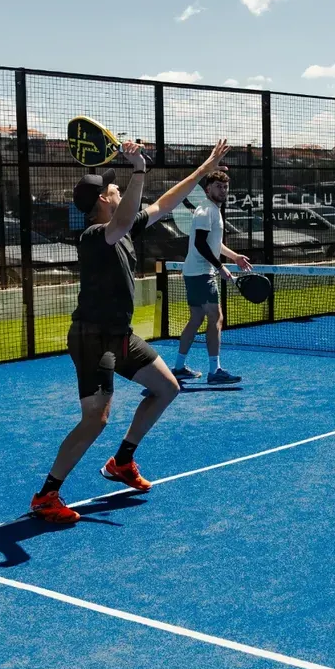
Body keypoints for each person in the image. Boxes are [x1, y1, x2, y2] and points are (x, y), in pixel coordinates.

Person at [29, 139, 231, 525]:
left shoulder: (123, 229)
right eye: (115, 188)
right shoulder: (95, 236)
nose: (121, 190)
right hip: (92, 338)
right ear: (104, 200)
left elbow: (165, 203)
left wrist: (204, 168)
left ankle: (122, 461)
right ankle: (46, 494)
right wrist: (138, 168)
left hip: (119, 334)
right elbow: (123, 218)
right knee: (95, 419)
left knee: (167, 387)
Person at [173, 169, 252, 384]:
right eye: (218, 186)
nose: (223, 190)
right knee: (216, 319)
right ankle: (214, 371)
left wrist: (234, 257)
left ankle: (179, 367)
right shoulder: (205, 211)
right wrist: (219, 267)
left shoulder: (213, 210)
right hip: (201, 273)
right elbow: (200, 244)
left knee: (197, 318)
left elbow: (213, 244)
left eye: (225, 187)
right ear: (208, 189)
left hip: (196, 272)